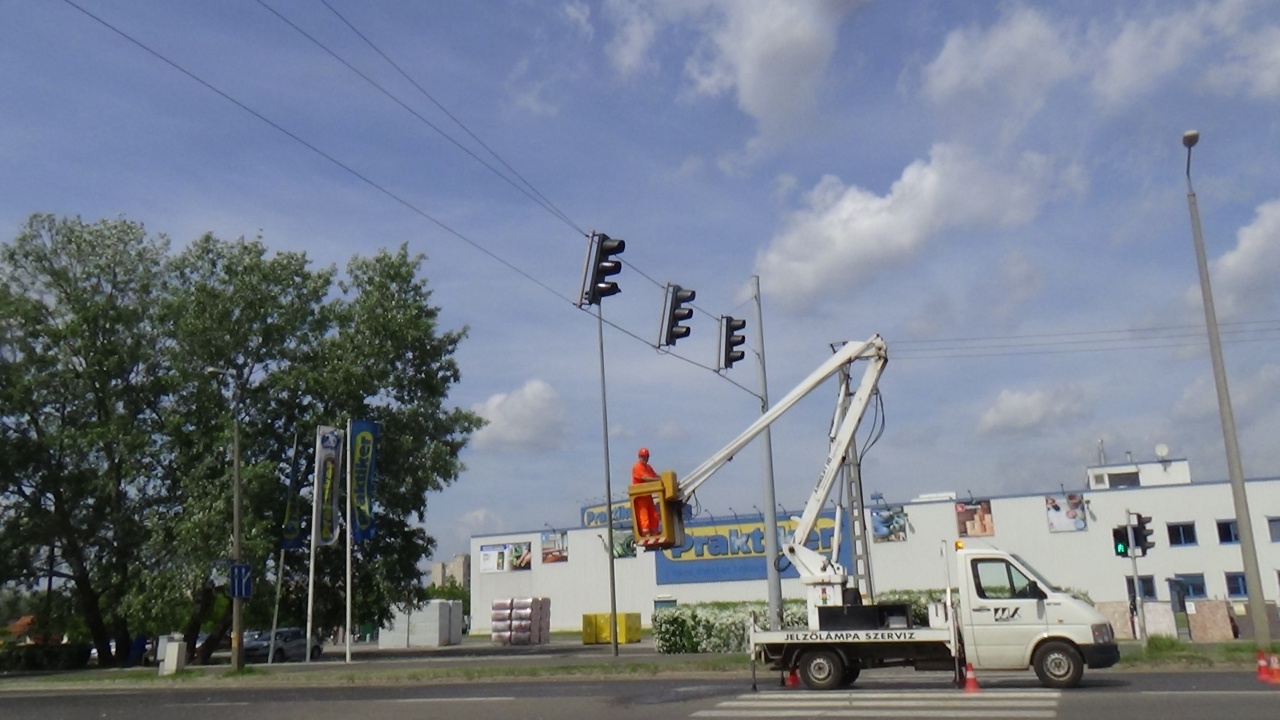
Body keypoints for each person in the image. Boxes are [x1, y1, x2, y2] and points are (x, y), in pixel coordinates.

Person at [631, 447, 660, 536]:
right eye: (643, 456)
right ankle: (646, 534)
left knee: (654, 516)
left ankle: (654, 533)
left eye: (646, 457)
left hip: (648, 496)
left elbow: (654, 476)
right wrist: (658, 480)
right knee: (644, 517)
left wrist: (663, 478)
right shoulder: (637, 467)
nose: (645, 458)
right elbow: (645, 478)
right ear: (639, 457)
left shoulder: (648, 467)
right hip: (640, 496)